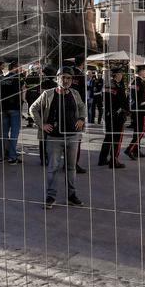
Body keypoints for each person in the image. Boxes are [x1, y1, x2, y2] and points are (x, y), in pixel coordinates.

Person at [29, 66, 86, 209]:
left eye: (69, 78)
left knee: (71, 168)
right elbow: (33, 108)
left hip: (72, 137)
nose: (66, 80)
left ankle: (72, 196)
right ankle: (51, 197)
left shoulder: (75, 93)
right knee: (53, 168)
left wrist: (81, 118)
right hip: (54, 138)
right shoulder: (48, 94)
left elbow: (82, 107)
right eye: (63, 77)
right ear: (57, 78)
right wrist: (42, 124)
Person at [98, 66, 129, 168]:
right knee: (117, 139)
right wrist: (127, 111)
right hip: (117, 116)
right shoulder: (118, 86)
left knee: (108, 137)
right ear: (116, 75)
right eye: (120, 74)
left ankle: (102, 159)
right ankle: (114, 161)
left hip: (108, 114)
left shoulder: (106, 85)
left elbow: (102, 99)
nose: (121, 76)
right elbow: (123, 101)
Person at [0, 61, 24, 164]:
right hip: (14, 108)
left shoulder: (3, 77)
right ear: (14, 67)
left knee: (4, 133)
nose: (21, 69)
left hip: (3, 107)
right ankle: (12, 157)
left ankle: (3, 155)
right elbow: (22, 91)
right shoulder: (17, 78)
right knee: (14, 133)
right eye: (19, 67)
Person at [124, 65, 145, 161]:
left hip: (137, 109)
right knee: (141, 130)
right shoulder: (138, 81)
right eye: (144, 71)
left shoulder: (136, 81)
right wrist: (140, 106)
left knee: (137, 131)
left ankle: (136, 150)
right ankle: (129, 149)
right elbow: (135, 98)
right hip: (139, 109)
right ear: (140, 71)